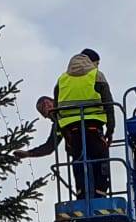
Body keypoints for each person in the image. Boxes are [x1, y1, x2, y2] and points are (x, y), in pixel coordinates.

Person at [29, 50, 115, 197]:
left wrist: (65, 131)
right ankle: (100, 193)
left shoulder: (61, 80)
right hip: (93, 127)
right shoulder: (97, 75)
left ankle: (81, 193)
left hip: (72, 131)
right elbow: (108, 104)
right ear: (92, 62)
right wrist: (110, 129)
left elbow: (58, 110)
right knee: (101, 159)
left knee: (78, 161)